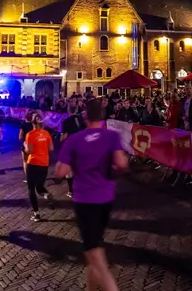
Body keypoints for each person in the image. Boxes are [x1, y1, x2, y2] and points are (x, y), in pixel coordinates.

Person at [54, 98, 128, 291]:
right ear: (103, 116)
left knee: (96, 256)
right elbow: (121, 163)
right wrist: (111, 174)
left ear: (85, 116)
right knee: (93, 252)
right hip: (106, 199)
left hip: (85, 201)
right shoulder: (112, 136)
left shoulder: (74, 140)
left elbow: (60, 173)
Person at [24, 112, 55, 221]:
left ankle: (36, 214)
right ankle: (46, 195)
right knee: (40, 186)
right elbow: (51, 148)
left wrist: (25, 146)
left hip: (33, 163)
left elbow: (30, 151)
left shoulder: (30, 135)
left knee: (31, 189)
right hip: (44, 163)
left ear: (32, 122)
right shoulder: (46, 133)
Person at [61, 105, 87, 198]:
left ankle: (71, 191)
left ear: (68, 111)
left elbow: (63, 137)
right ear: (76, 111)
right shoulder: (81, 120)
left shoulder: (65, 122)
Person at [18, 111, 35, 182]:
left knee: (25, 161)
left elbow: (20, 136)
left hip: (26, 144)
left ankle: (28, 177)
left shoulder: (23, 125)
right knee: (33, 161)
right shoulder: (34, 125)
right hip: (34, 144)